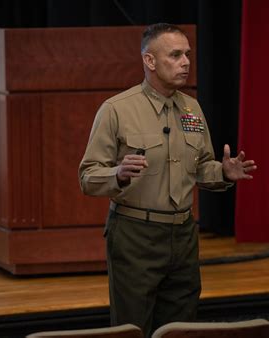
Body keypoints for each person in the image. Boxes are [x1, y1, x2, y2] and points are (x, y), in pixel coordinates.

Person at [78, 23, 257, 337]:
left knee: (181, 328)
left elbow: (201, 168)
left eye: (187, 54)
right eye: (175, 55)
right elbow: (88, 176)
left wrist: (223, 173)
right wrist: (117, 174)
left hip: (183, 235)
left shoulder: (192, 109)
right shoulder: (117, 110)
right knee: (132, 329)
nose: (186, 62)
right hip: (136, 235)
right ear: (150, 61)